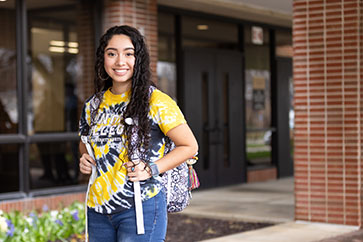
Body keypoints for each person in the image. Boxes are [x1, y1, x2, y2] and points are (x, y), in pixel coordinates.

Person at [78, 25, 198, 242]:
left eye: (129, 54)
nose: (119, 62)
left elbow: (189, 146)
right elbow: (86, 142)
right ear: (102, 59)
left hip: (142, 206)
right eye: (112, 53)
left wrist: (152, 168)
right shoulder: (93, 105)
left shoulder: (157, 102)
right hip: (97, 208)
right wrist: (85, 158)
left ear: (139, 59)